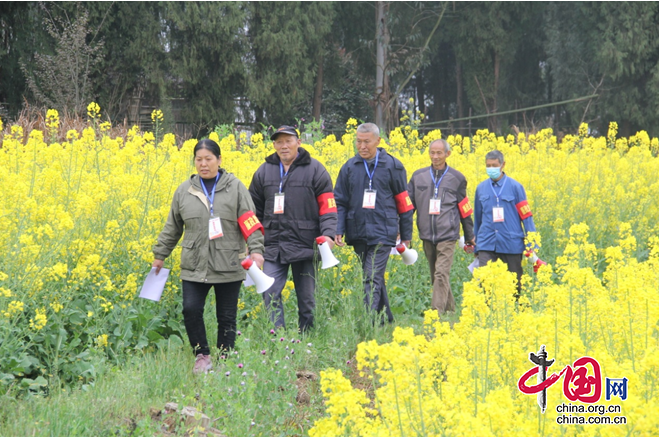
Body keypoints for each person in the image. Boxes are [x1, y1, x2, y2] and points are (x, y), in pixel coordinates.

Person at [152, 139, 265, 374]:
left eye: (208, 159)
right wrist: (160, 254)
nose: (203, 164)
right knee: (190, 310)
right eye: (198, 160)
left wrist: (256, 250)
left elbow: (249, 221)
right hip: (194, 263)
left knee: (227, 317)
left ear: (219, 160)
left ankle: (226, 359)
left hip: (229, 261)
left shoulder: (235, 187)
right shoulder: (185, 191)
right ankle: (202, 355)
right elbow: (173, 227)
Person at [248, 125, 337, 332]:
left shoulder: (316, 169)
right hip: (273, 245)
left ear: (298, 142)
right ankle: (278, 339)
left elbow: (328, 207)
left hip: (305, 245)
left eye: (288, 141)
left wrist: (329, 234)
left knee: (307, 300)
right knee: (269, 292)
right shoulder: (264, 171)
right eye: (279, 142)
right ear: (274, 145)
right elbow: (252, 211)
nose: (284, 146)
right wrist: (252, 243)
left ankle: (308, 339)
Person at [334, 122, 414, 324]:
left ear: (378, 141)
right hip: (357, 230)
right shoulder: (349, 167)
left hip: (383, 230)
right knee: (373, 276)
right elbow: (340, 201)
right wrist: (338, 229)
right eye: (358, 142)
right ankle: (386, 318)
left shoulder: (392, 166)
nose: (362, 146)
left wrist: (406, 236)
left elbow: (404, 203)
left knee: (371, 276)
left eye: (366, 142)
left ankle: (369, 322)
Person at [408, 139, 475, 314]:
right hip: (426, 234)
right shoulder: (418, 176)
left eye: (439, 153)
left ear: (447, 154)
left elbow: (464, 209)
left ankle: (435, 313)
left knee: (440, 274)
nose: (435, 156)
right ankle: (451, 310)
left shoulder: (457, 178)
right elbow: (409, 208)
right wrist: (403, 232)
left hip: (448, 235)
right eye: (432, 153)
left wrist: (470, 236)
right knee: (437, 275)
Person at [473, 150, 536, 295]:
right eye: (488, 165)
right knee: (486, 282)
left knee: (515, 284)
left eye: (494, 165)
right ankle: (487, 312)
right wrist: (476, 245)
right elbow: (478, 218)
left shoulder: (516, 187)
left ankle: (516, 311)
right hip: (486, 242)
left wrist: (532, 243)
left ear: (502, 165)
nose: (491, 169)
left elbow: (526, 216)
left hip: (511, 243)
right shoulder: (481, 188)